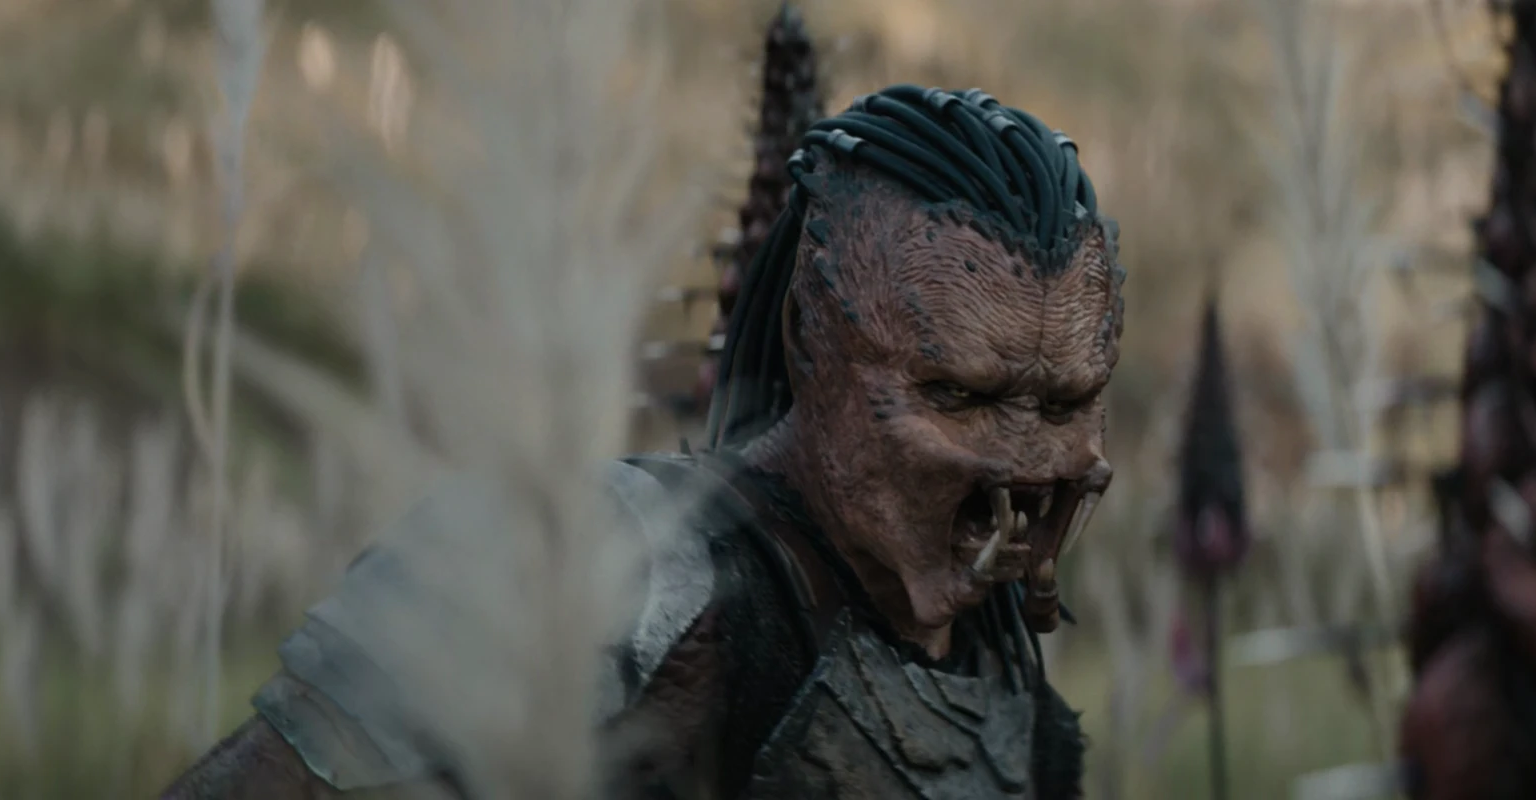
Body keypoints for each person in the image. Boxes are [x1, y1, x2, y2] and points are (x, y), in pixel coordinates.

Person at [161, 84, 1121, 799]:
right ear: (808, 339)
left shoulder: (999, 663)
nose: (1022, 469)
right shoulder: (600, 567)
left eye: (1066, 403)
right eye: (957, 395)